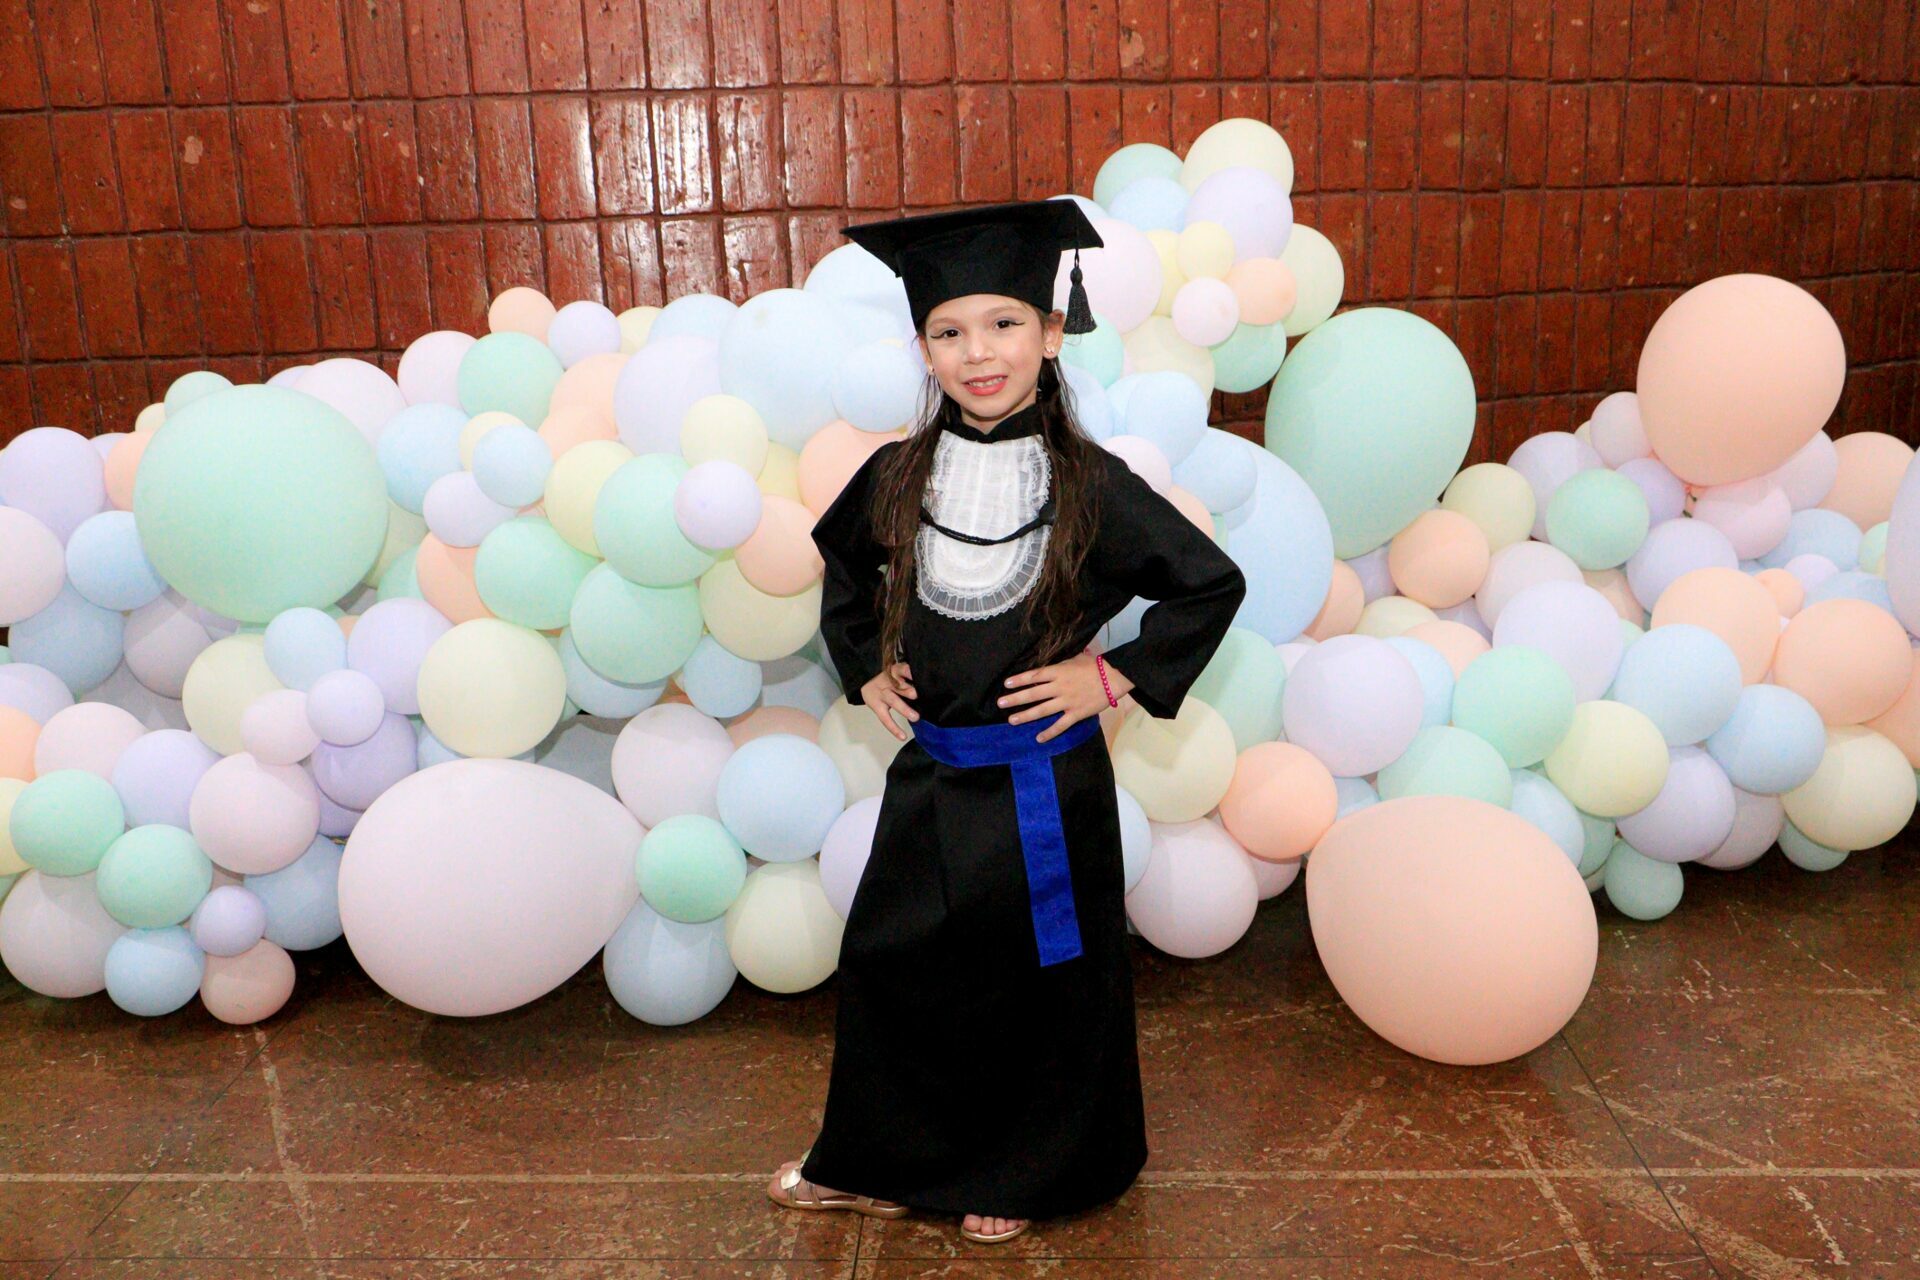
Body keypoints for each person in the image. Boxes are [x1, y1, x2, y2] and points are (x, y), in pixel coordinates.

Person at [766, 198, 1248, 1244]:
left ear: (1051, 333)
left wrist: (1111, 676)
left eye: (1002, 324)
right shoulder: (898, 475)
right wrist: (865, 667)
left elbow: (1209, 584)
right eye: (949, 331)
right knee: (896, 960)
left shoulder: (1092, 483)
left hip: (1044, 787)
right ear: (923, 348)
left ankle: (1024, 1168)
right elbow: (843, 565)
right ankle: (878, 1161)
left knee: (1035, 977)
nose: (977, 352)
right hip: (933, 775)